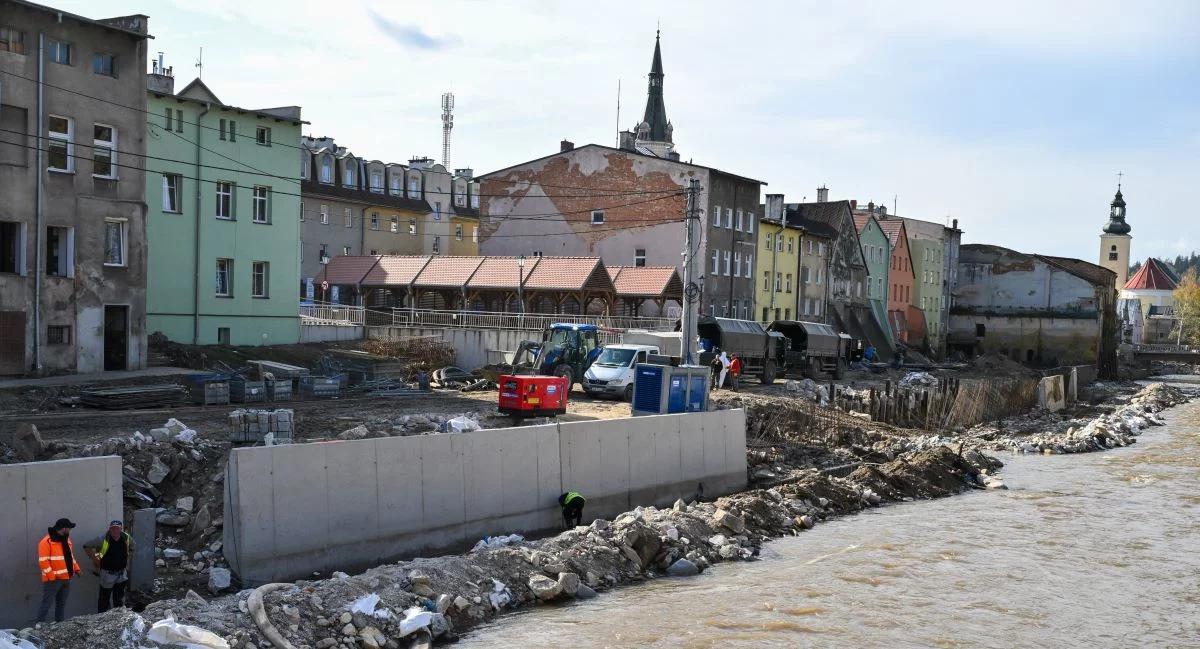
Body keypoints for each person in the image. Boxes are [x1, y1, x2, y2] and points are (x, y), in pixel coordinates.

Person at [84, 520, 135, 614]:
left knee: (119, 599)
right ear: (110, 529)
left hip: (121, 574)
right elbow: (86, 546)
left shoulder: (126, 537)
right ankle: (101, 618)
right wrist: (95, 560)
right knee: (104, 599)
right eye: (113, 528)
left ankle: (118, 618)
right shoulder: (103, 538)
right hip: (107, 574)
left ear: (121, 529)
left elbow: (132, 547)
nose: (115, 530)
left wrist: (128, 562)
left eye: (117, 528)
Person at [37, 517, 81, 624]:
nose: (70, 530)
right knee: (47, 602)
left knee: (61, 603)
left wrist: (77, 569)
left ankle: (59, 624)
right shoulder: (46, 542)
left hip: (66, 578)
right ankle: (40, 624)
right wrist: (52, 577)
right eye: (69, 528)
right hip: (54, 580)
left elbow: (70, 557)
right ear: (64, 528)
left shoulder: (67, 540)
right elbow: (43, 561)